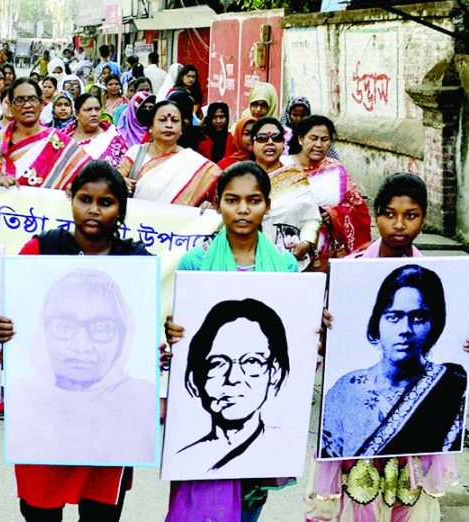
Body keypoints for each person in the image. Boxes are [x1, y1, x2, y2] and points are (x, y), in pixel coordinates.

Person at [0, 162, 149, 521]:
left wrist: (159, 341)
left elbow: (144, 327)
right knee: (40, 510)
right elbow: (14, 308)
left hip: (110, 419)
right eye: (84, 199)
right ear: (70, 199)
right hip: (44, 416)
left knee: (100, 513)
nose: (94, 210)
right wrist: (5, 331)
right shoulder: (40, 250)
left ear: (121, 209)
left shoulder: (136, 262)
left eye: (106, 202)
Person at [307, 173, 465, 521]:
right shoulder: (348, 274)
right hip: (356, 456)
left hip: (415, 458)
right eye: (389, 214)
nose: (399, 224)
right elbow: (316, 347)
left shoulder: (444, 279)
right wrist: (321, 327)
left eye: (411, 215)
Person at [165, 162, 299, 522]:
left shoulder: (286, 267)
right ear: (217, 203)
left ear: (267, 205)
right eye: (232, 200)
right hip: (200, 421)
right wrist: (173, 330)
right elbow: (181, 331)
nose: (243, 210)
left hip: (262, 428)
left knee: (249, 505)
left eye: (253, 200)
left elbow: (296, 335)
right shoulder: (197, 263)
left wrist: (316, 326)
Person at [6, 268, 157, 465]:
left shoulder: (138, 400)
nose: (82, 347)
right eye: (65, 326)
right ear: (44, 330)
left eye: (101, 328)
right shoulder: (23, 396)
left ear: (123, 336)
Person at [322, 262, 466, 458]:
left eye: (418, 318)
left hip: (414, 484)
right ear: (377, 322)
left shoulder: (447, 386)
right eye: (394, 317)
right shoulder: (347, 389)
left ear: (435, 323)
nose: (405, 329)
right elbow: (332, 457)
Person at [172, 298, 291, 474]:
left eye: (251, 361)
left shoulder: (280, 451)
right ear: (194, 379)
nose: (233, 378)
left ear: (275, 373)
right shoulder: (182, 459)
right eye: (217, 363)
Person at [282, 115, 372, 265]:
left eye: (324, 140)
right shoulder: (284, 168)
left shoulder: (336, 169)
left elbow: (358, 207)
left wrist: (334, 214)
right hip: (290, 247)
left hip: (327, 252)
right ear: (300, 139)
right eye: (313, 138)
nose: (318, 144)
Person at [0, 78, 90, 190]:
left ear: (41, 104)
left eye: (32, 99)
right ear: (11, 107)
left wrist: (74, 189)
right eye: (19, 100)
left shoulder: (58, 141)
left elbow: (88, 177)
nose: (27, 105)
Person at [117, 100, 221, 206]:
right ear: (150, 127)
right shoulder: (136, 153)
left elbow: (218, 195)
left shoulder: (193, 162)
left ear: (181, 129)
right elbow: (113, 182)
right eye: (162, 120)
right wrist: (121, 183)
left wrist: (205, 204)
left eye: (175, 120)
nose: (169, 125)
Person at [251, 117, 320, 267]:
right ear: (252, 144)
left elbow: (312, 218)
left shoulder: (295, 177)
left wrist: (306, 242)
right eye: (263, 138)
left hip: (289, 262)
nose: (270, 142)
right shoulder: (242, 177)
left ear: (283, 144)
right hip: (248, 261)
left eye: (276, 138)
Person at [65, 93, 129, 167]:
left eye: (97, 109)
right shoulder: (64, 140)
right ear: (76, 113)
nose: (94, 114)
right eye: (88, 110)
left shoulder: (112, 135)